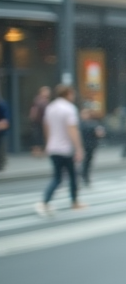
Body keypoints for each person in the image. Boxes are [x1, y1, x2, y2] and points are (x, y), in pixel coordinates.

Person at [34, 84, 86, 216]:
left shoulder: (51, 107)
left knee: (57, 177)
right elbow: (72, 130)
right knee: (73, 176)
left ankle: (46, 201)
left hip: (53, 147)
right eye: (72, 94)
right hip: (66, 148)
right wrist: (79, 148)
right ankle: (74, 202)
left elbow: (46, 126)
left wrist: (48, 143)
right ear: (68, 94)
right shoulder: (69, 108)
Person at [79, 106, 107, 186]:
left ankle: (85, 175)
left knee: (88, 161)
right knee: (85, 161)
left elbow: (100, 133)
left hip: (90, 145)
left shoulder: (92, 123)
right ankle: (83, 175)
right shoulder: (81, 124)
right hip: (83, 145)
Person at [28, 85, 50, 157]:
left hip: (43, 121)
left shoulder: (45, 101)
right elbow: (34, 110)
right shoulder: (39, 100)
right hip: (38, 121)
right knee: (37, 136)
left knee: (41, 135)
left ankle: (41, 150)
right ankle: (36, 151)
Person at [0, 95, 9, 172]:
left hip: (2, 132)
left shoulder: (2, 104)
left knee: (2, 147)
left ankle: (2, 164)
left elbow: (5, 121)